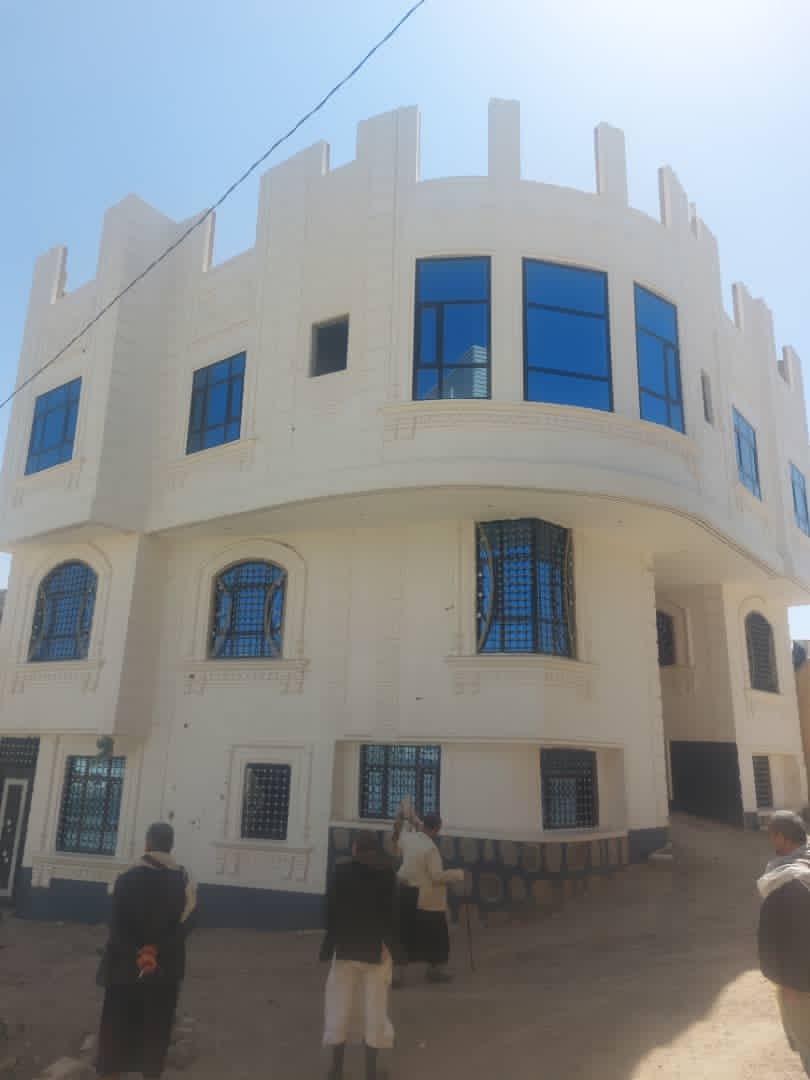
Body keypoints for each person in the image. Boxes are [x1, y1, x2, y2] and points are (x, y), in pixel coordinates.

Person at [96, 822, 197, 1080]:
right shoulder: (184, 881)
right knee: (156, 1030)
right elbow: (187, 925)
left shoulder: (126, 878)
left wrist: (139, 953)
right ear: (171, 846)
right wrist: (155, 950)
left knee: (116, 1029)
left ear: (147, 843)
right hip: (165, 971)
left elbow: (117, 926)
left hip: (123, 968)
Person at [320, 830, 399, 1080]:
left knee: (339, 1007)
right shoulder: (388, 874)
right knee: (375, 1010)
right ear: (375, 851)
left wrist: (332, 941)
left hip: (344, 949)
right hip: (376, 952)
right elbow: (393, 914)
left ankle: (336, 1070)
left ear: (354, 848)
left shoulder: (340, 871)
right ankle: (371, 1074)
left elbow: (329, 911)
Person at [757, 810, 810, 1076]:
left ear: (781, 837)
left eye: (772, 835)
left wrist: (785, 981)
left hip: (799, 985)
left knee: (807, 1043)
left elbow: (771, 938)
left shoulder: (783, 881)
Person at [393, 807, 464, 986]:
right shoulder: (431, 849)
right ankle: (435, 971)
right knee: (437, 938)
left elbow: (402, 833)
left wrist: (410, 819)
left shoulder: (408, 838)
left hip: (406, 895)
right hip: (428, 900)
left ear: (423, 824)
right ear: (437, 829)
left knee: (404, 936)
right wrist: (458, 874)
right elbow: (436, 876)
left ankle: (397, 975)